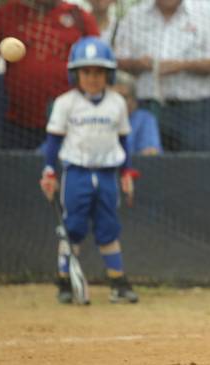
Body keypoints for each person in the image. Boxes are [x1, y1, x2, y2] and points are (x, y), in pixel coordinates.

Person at [39, 37, 139, 304]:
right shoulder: (66, 102)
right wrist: (49, 172)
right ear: (75, 74)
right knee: (72, 228)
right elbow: (53, 141)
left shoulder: (117, 102)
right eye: (86, 72)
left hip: (107, 173)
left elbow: (124, 140)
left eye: (99, 72)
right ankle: (65, 281)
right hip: (77, 173)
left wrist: (127, 173)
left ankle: (118, 282)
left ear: (109, 74)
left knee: (108, 227)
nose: (93, 78)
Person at [0, 0, 98, 149]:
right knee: (16, 170)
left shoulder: (79, 17)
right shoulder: (7, 13)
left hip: (70, 124)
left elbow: (99, 66)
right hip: (18, 125)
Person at [115, 0, 210, 152]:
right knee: (150, 167)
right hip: (149, 108)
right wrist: (140, 64)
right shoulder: (135, 15)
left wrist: (183, 66)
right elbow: (118, 60)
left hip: (193, 110)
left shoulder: (206, 12)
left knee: (192, 168)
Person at [113, 72, 163, 155]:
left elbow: (151, 153)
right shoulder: (97, 116)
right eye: (115, 97)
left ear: (134, 101)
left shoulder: (144, 119)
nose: (119, 102)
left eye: (124, 97)